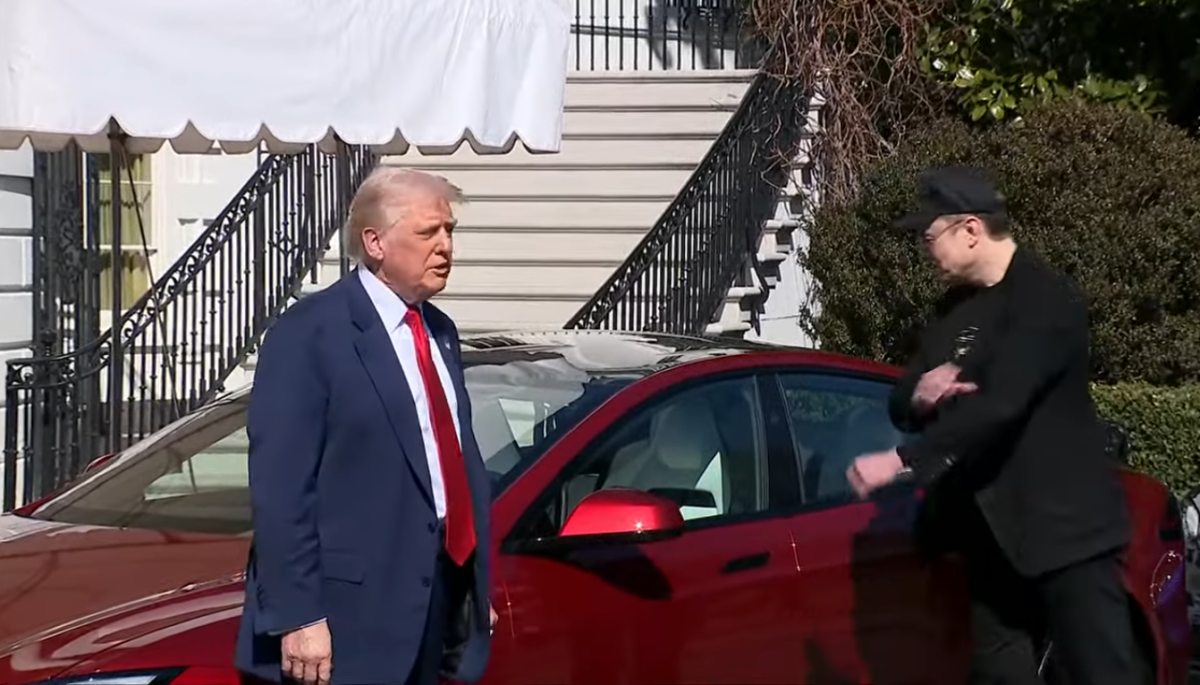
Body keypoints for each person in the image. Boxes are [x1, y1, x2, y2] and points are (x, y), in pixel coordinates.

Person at [845, 166, 1151, 684]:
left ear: (970, 230)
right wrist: (919, 394)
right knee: (999, 671)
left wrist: (900, 458)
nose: (926, 250)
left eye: (930, 235)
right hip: (991, 534)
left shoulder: (1045, 299)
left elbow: (1003, 403)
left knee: (1102, 671)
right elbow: (905, 394)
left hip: (1066, 533)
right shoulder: (953, 312)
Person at [235, 167, 496, 685]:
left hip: (431, 605)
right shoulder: (310, 333)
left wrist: (473, 584)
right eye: (428, 233)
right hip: (343, 621)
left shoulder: (438, 331)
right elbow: (283, 491)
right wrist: (300, 616)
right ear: (375, 242)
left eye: (450, 232)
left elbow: (448, 465)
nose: (445, 246)